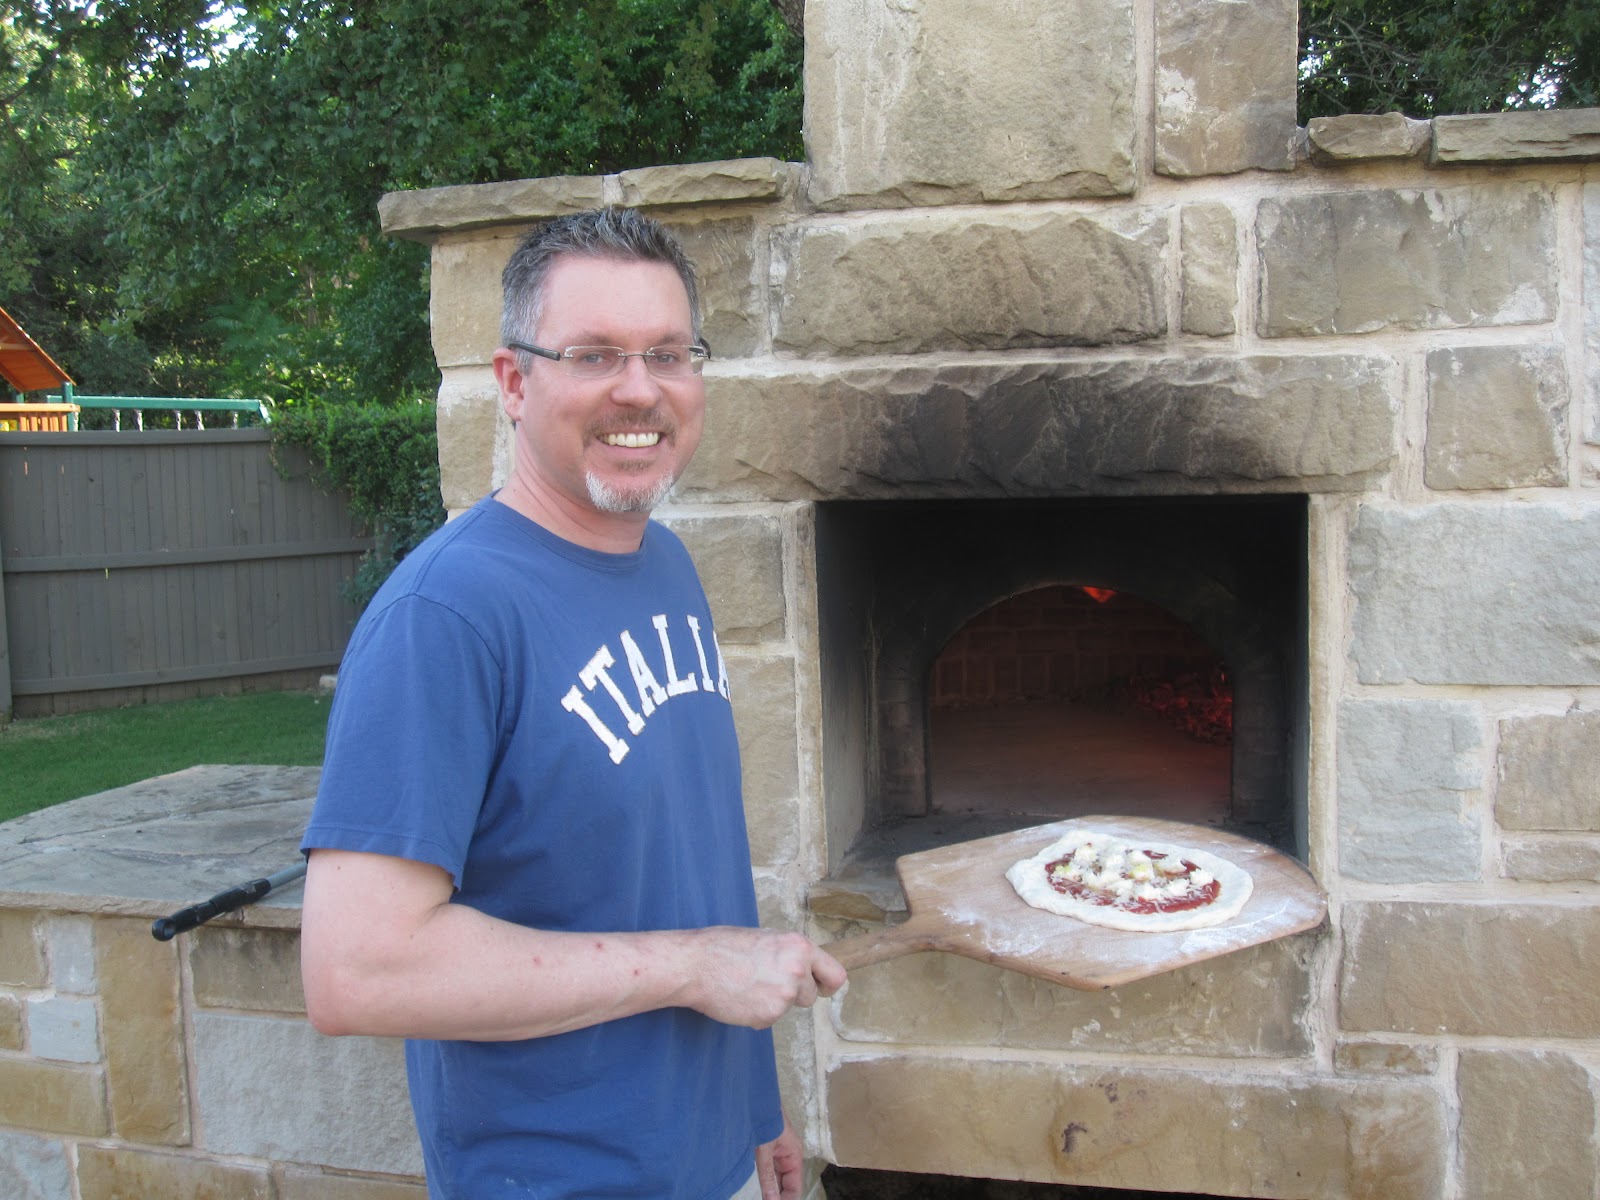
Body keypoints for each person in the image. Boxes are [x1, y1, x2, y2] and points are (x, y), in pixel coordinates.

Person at [298, 206, 846, 1200]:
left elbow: (687, 867)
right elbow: (356, 972)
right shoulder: (445, 617)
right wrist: (692, 969)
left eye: (668, 354)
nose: (639, 390)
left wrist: (752, 1111)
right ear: (514, 382)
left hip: (710, 1156)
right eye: (594, 354)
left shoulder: (665, 566)